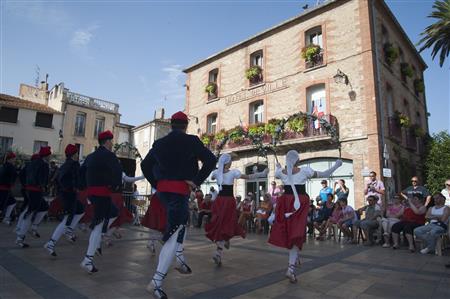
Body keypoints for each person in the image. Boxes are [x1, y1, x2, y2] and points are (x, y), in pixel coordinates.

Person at [140, 111, 216, 299]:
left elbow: (145, 166)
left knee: (177, 228)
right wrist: (196, 180)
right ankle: (156, 282)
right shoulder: (191, 141)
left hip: (163, 192)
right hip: (178, 192)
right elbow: (211, 160)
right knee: (174, 234)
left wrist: (156, 183)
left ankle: (179, 259)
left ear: (171, 125)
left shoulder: (159, 143)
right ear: (186, 125)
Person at [268, 150, 342, 283]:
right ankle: (291, 269)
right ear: (297, 160)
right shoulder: (305, 171)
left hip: (286, 202)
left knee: (290, 231)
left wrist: (280, 168)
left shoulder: (280, 173)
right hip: (299, 203)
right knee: (296, 233)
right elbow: (324, 174)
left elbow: (279, 173)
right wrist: (337, 165)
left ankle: (294, 258)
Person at [206, 153, 268, 266]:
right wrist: (262, 173)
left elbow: (212, 177)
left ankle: (220, 250)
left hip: (219, 201)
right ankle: (223, 245)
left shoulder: (216, 173)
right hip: (228, 201)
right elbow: (248, 177)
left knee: (220, 224)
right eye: (230, 161)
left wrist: (218, 170)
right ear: (227, 163)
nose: (231, 162)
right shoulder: (233, 172)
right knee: (227, 223)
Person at [79, 130, 122, 273]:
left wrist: (87, 188)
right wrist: (115, 185)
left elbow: (81, 173)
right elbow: (117, 173)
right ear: (108, 142)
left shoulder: (90, 156)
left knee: (114, 212)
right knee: (98, 225)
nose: (112, 143)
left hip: (93, 193)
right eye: (111, 141)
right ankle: (88, 259)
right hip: (102, 194)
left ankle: (99, 237)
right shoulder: (109, 156)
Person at [44, 144, 84, 256]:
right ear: (74, 154)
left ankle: (69, 230)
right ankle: (51, 243)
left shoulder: (65, 165)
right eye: (76, 153)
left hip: (67, 194)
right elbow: (75, 179)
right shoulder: (73, 165)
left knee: (81, 209)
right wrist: (73, 187)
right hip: (69, 195)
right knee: (66, 219)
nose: (77, 155)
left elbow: (58, 179)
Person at [16, 146, 52, 248]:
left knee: (43, 207)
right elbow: (43, 179)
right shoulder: (44, 165)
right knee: (30, 212)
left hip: (28, 190)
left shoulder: (31, 163)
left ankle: (32, 228)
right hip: (36, 191)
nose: (50, 157)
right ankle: (20, 237)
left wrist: (25, 184)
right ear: (47, 155)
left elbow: (22, 174)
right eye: (50, 155)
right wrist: (44, 186)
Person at [141, 191, 167, 255]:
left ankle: (151, 243)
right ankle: (153, 243)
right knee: (156, 228)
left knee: (154, 227)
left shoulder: (159, 192)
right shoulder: (163, 192)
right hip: (159, 209)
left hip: (157, 208)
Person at [0, 152, 17, 226]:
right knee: (2, 204)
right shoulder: (10, 166)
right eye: (14, 158)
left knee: (12, 202)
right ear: (10, 159)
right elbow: (14, 175)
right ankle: (5, 218)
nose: (14, 160)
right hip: (5, 188)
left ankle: (6, 218)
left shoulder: (3, 166)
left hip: (4, 188)